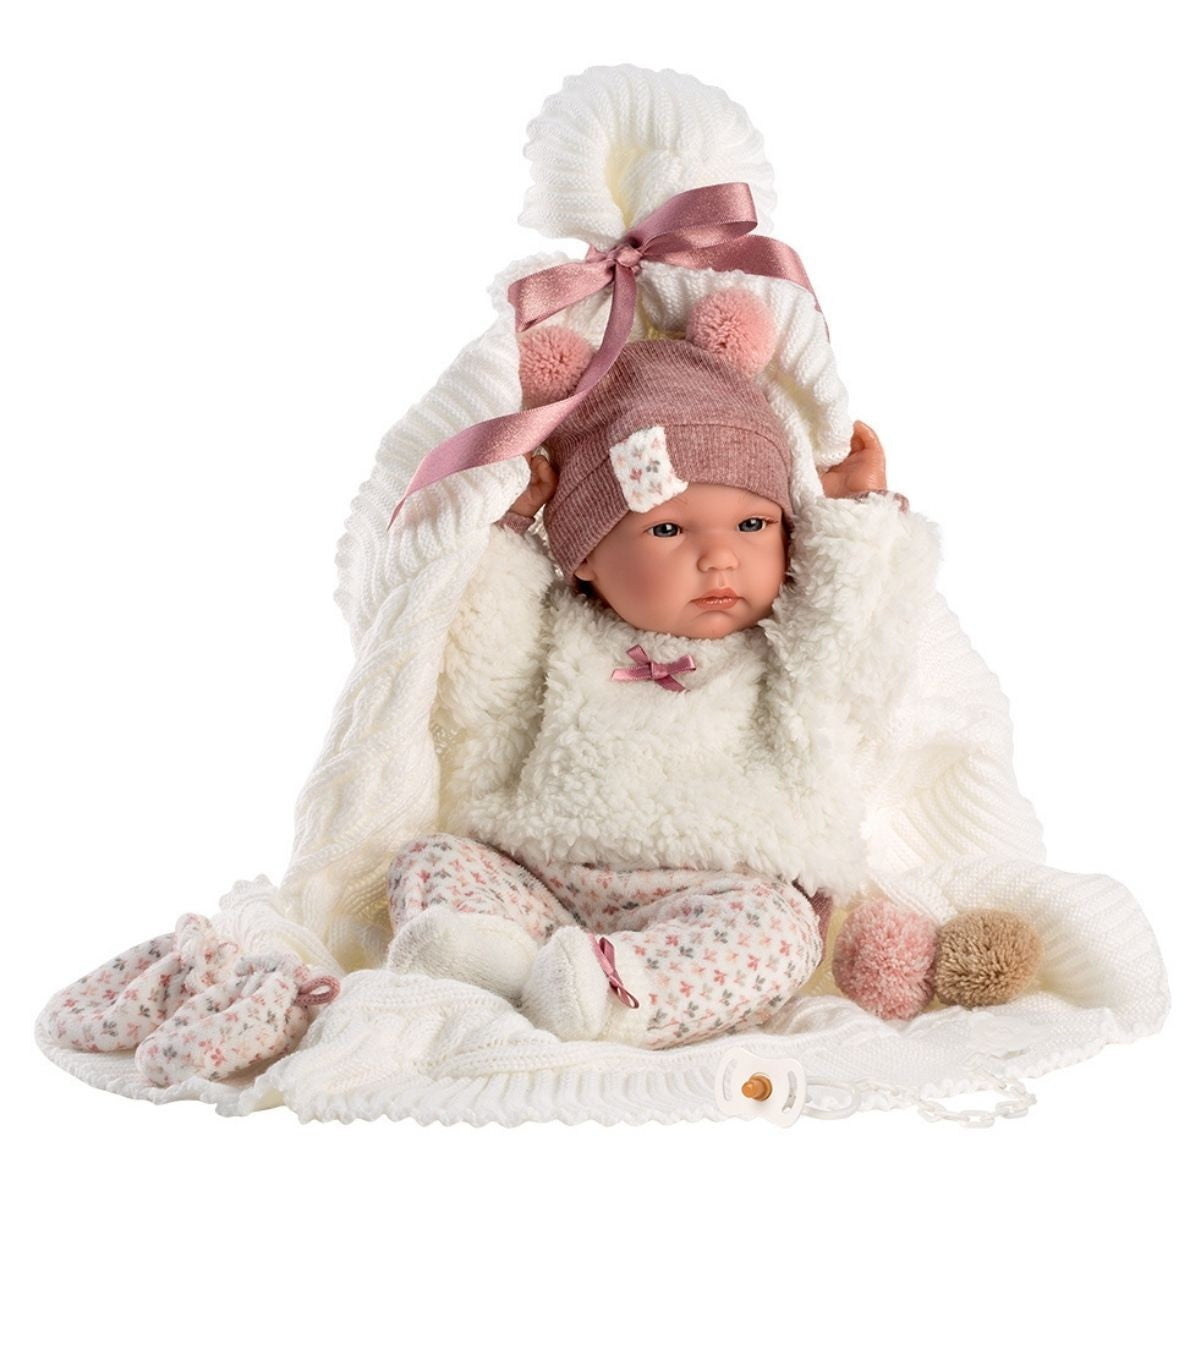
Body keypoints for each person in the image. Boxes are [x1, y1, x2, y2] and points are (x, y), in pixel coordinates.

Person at [383, 287, 989, 1049]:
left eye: (753, 523)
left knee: (781, 932)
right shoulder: (562, 629)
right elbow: (480, 670)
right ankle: (505, 967)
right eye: (669, 529)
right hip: (548, 881)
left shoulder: (785, 651)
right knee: (433, 860)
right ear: (585, 557)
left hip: (716, 896)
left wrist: (857, 517)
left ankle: (623, 996)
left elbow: (858, 644)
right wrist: (507, 527)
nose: (720, 557)